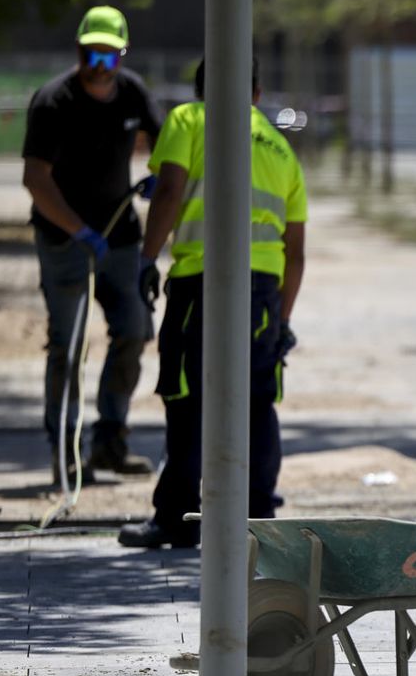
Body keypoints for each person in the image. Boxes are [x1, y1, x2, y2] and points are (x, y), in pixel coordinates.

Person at [117, 57, 307, 549]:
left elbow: (170, 190)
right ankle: (259, 521)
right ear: (257, 93)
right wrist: (282, 319)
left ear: (202, 89)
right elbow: (297, 251)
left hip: (201, 283)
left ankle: (177, 518)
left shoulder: (188, 120)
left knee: (187, 395)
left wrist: (146, 257)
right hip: (263, 290)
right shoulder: (282, 149)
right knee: (258, 398)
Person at [22, 5, 162, 483]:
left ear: (121, 57)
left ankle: (110, 441)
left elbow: (166, 146)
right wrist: (76, 229)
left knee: (134, 329)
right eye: (90, 56)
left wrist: (160, 175)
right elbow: (35, 178)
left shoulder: (133, 94)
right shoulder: (52, 102)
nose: (99, 68)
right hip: (64, 241)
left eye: (109, 58)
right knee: (68, 343)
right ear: (79, 52)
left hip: (121, 240)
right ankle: (64, 449)